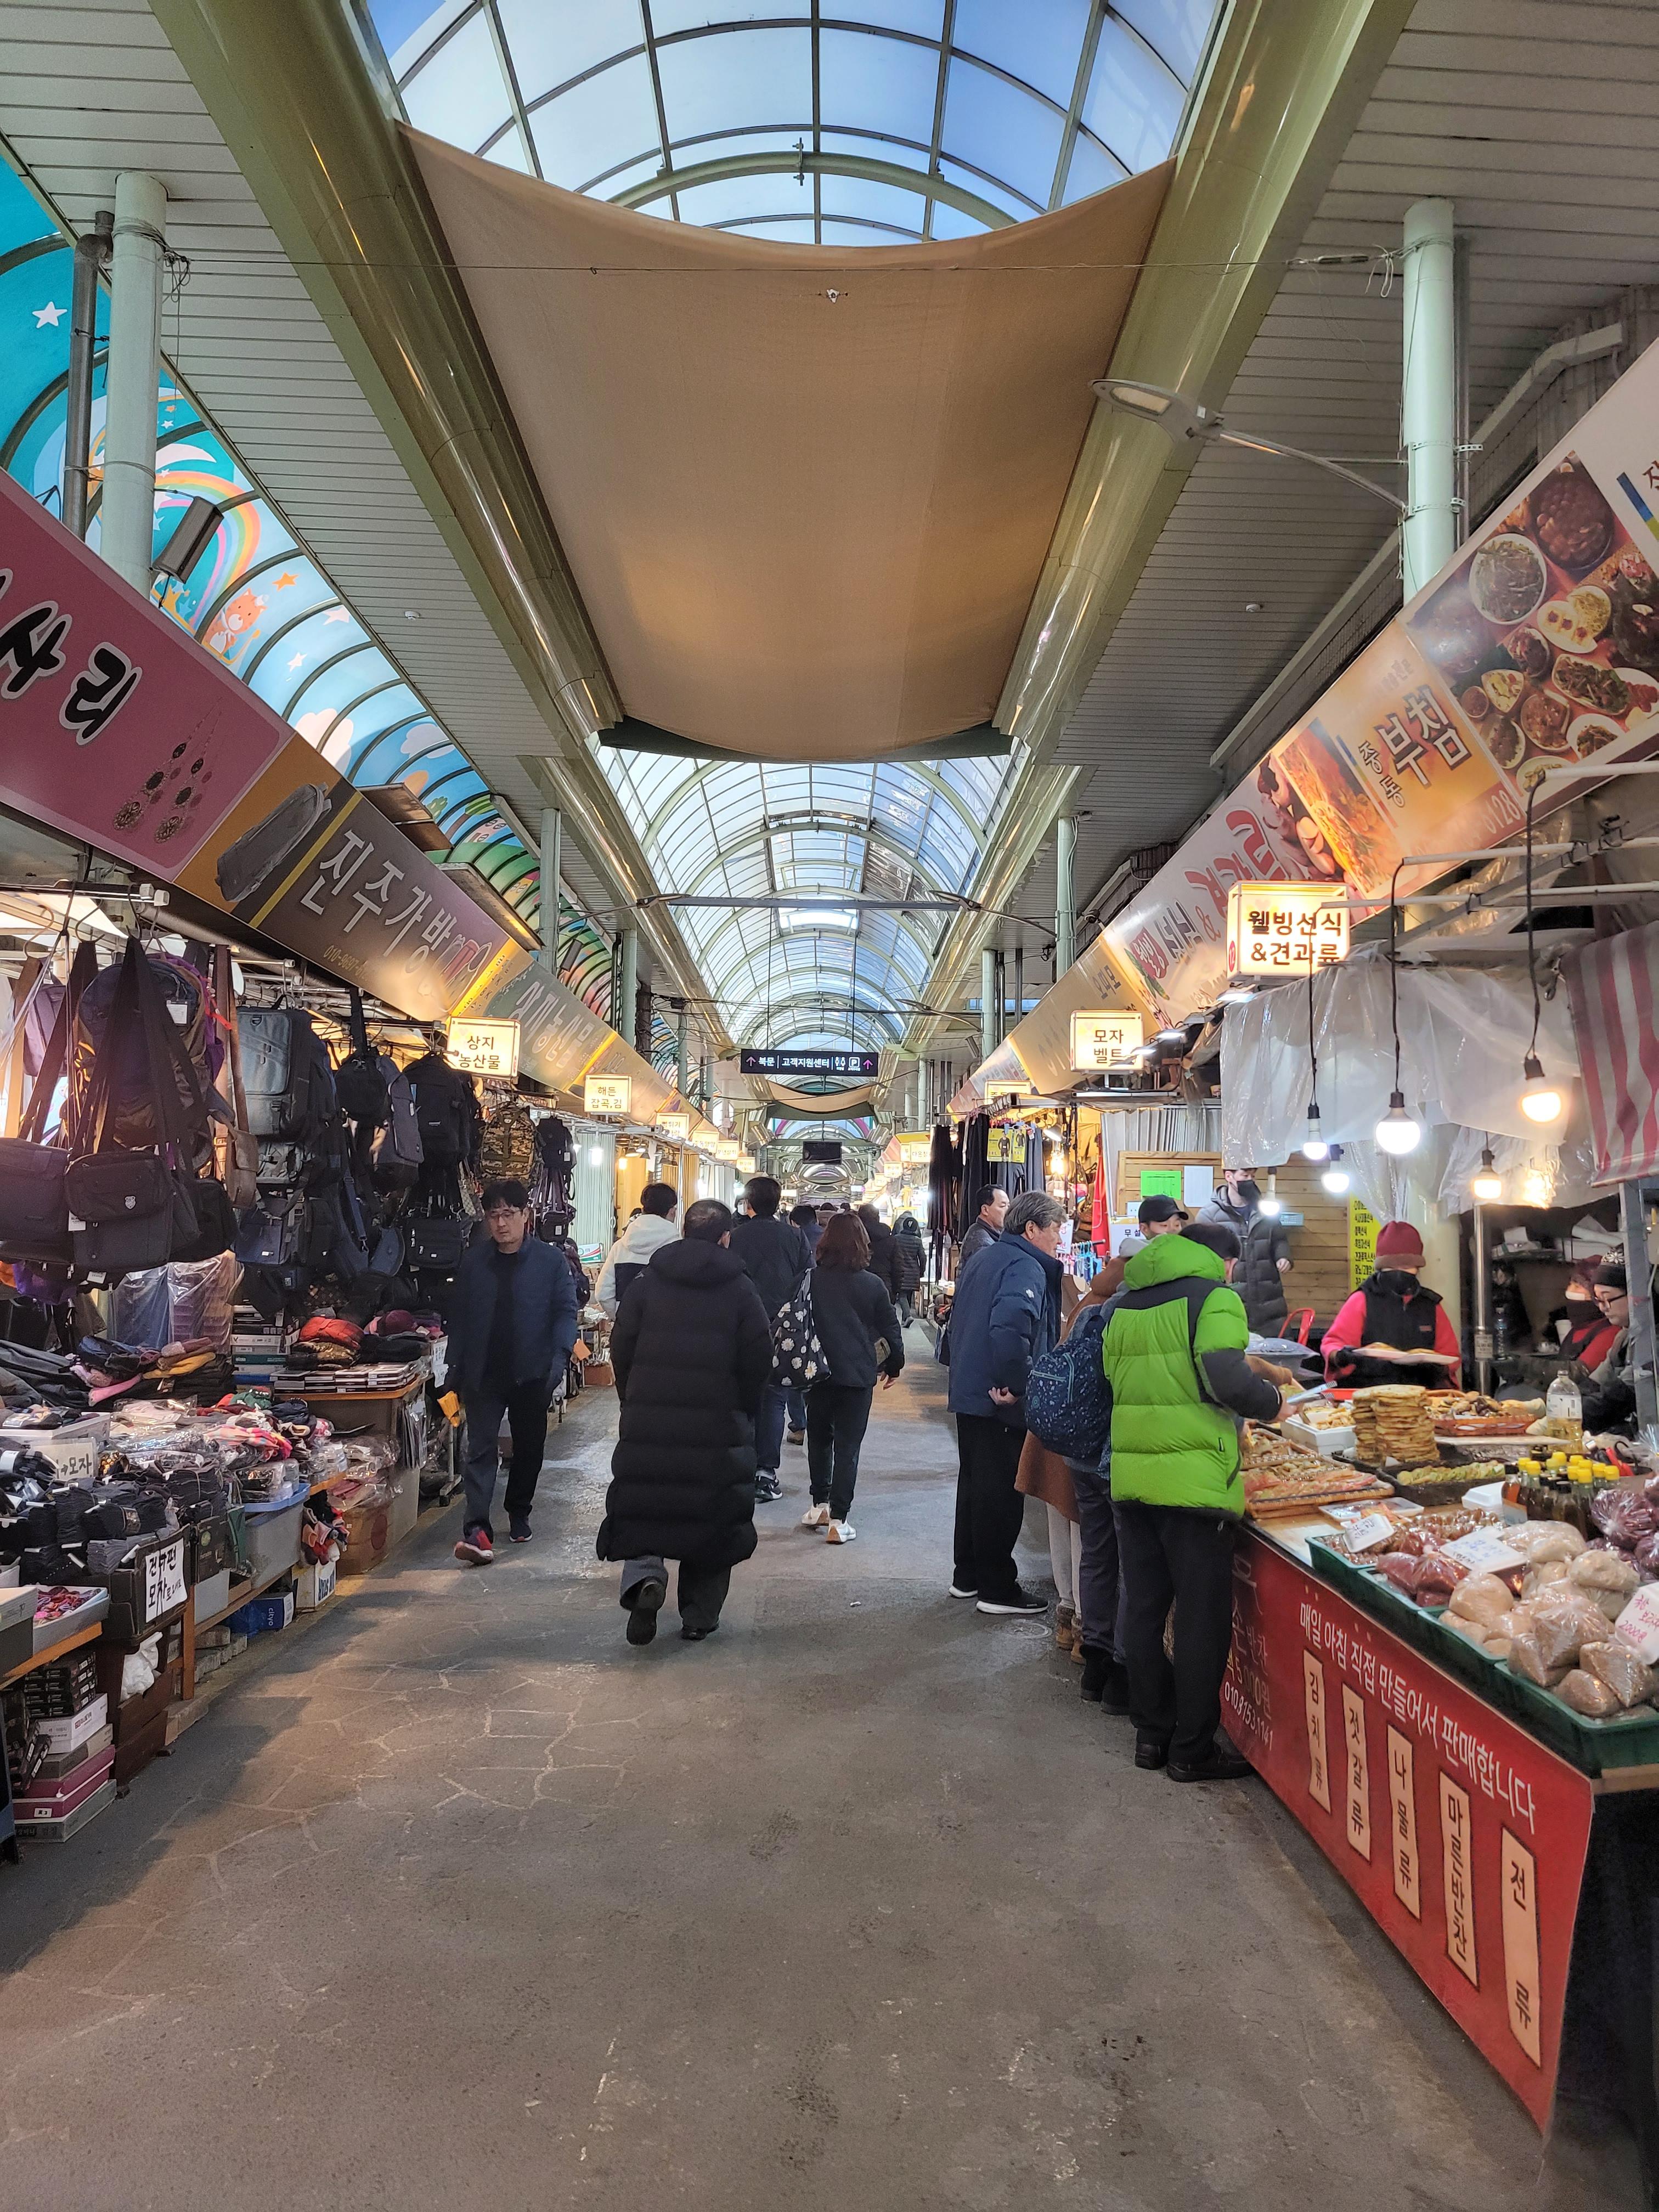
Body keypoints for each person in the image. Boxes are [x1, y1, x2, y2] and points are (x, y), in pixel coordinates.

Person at [1102, 1220, 1286, 1781]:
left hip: (1133, 1478)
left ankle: (1151, 1736)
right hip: (1195, 1486)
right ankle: (1191, 1748)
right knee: (1201, 1620)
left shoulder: (1124, 1303)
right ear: (1226, 1262)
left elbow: (1112, 1379)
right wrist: (1273, 1403)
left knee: (1143, 1609)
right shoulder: (1215, 1298)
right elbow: (1226, 1377)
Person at [597, 1198, 773, 1644]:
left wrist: (632, 1397)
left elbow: (622, 1343)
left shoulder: (648, 1281)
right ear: (726, 1238)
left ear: (684, 1231)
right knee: (712, 1513)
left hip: (650, 1418)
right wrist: (744, 1408)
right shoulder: (740, 1289)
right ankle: (699, 1615)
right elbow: (759, 1355)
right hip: (717, 1423)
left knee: (647, 1501)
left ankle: (645, 1580)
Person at [945, 1189, 1067, 1616]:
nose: (1059, 1239)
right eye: (1056, 1230)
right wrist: (1016, 1384)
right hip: (997, 1397)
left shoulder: (986, 1257)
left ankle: (968, 1577)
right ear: (1032, 1228)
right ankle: (997, 1589)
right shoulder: (1024, 1265)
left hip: (971, 1389)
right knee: (999, 1493)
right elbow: (1011, 1327)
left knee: (974, 1487)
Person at [448, 1178, 582, 1565]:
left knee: (529, 1449)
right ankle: (476, 1528)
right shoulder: (474, 1262)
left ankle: (519, 1510)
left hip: (533, 1372)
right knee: (480, 1449)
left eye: (509, 1214)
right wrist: (455, 1369)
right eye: (494, 1215)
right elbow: (461, 1318)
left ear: (526, 1215)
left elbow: (565, 1311)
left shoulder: (550, 1261)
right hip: (484, 1373)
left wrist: (559, 1359)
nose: (501, 1223)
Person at [798, 1211, 904, 1543]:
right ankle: (839, 1520)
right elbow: (891, 1329)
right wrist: (894, 1366)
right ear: (863, 1244)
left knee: (819, 1439)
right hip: (857, 1375)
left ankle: (819, 1504)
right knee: (848, 1447)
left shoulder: (810, 1280)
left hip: (817, 1372)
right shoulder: (872, 1284)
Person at [729, 1175, 814, 1503]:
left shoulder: (734, 1236)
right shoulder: (795, 1236)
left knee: (741, 1396)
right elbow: (807, 1279)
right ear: (778, 1204)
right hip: (782, 1329)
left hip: (740, 1326)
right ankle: (765, 1473)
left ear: (748, 1204)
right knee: (775, 1398)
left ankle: (740, 1467)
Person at [1322, 1219, 1460, 1388]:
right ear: (1381, 1268)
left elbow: (1451, 1355)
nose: (1400, 1272)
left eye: (1407, 1267)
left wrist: (1440, 1369)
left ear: (1418, 1268)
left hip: (1422, 1394)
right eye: (1392, 1268)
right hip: (1366, 1392)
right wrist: (1343, 1356)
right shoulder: (1362, 1300)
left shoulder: (1431, 1305)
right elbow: (1333, 1344)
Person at [1199, 1170, 1291, 1335]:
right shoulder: (1209, 1215)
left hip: (1269, 1302)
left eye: (1253, 1176)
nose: (1250, 1180)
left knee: (1276, 1349)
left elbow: (1279, 1239)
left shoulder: (1266, 1209)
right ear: (1229, 1176)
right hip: (1231, 1301)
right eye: (1245, 1176)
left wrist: (1283, 1256)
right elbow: (1202, 1257)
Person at [596, 1182, 679, 1317]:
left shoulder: (619, 1247)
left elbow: (603, 1293)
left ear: (643, 1209)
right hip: (666, 1323)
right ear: (672, 1212)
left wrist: (620, 1316)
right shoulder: (678, 1248)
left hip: (627, 1323)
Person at [1091, 1193, 1187, 1302]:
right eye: (1164, 1226)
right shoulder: (1128, 1263)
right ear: (1144, 1229)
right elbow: (1099, 1284)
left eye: (1177, 1225)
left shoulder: (1188, 1256)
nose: (1173, 1230)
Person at [1582, 1263, 1638, 1431]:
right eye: (1598, 1300)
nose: (1603, 1307)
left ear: (1635, 1295)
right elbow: (1596, 1384)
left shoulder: (1651, 1340)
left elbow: (1622, 1396)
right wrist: (1555, 1403)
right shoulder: (1623, 1337)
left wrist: (1568, 1414)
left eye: (1608, 1299)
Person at [857, 1203, 904, 1306]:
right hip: (885, 1287)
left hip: (858, 1289)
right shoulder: (891, 1241)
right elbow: (898, 1268)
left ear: (859, 1218)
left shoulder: (855, 1239)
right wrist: (894, 1291)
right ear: (878, 1218)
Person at [957, 1183, 1008, 1271]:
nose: (1008, 1211)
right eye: (1003, 1206)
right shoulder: (981, 1242)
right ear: (985, 1210)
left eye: (1009, 1206)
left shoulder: (989, 1234)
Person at [891, 1211, 926, 1325]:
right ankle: (905, 1319)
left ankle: (907, 1316)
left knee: (902, 1295)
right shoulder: (918, 1241)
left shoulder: (896, 1239)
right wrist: (922, 1271)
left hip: (901, 1271)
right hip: (914, 1271)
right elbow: (923, 1257)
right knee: (909, 1294)